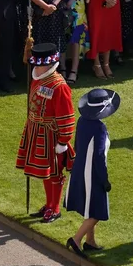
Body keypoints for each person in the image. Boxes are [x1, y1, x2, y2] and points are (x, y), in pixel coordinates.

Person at [17, 43, 76, 223]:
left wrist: (63, 141)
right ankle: (49, 204)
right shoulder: (38, 79)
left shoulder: (59, 86)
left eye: (40, 63)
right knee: (45, 171)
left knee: (55, 172)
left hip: (52, 135)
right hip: (36, 131)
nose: (36, 66)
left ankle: (55, 208)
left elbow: (67, 116)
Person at [64, 88, 120, 255]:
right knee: (97, 211)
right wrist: (104, 180)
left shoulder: (82, 121)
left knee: (90, 207)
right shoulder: (100, 129)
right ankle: (76, 239)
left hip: (80, 168)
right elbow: (99, 157)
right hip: (93, 173)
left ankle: (90, 241)